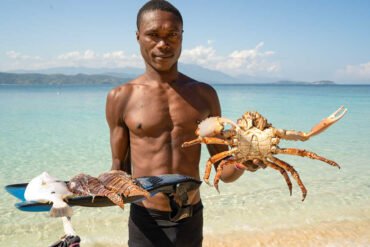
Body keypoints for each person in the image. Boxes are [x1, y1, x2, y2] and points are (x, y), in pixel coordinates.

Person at [105, 1, 245, 246]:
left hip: (190, 218)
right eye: (153, 35)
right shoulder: (121, 97)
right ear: (138, 37)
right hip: (145, 220)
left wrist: (247, 161)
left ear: (182, 36)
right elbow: (119, 171)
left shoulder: (204, 95)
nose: (163, 44)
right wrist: (79, 193)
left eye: (172, 34)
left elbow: (224, 170)